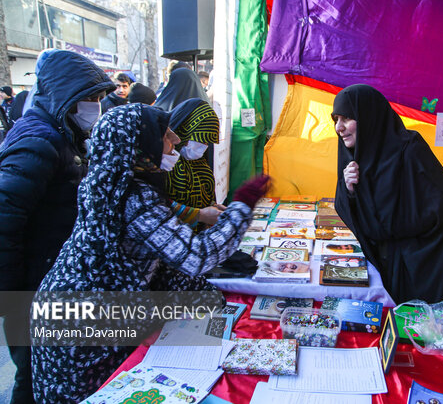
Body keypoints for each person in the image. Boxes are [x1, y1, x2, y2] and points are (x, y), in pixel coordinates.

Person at [30, 103, 270, 403]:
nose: (177, 141)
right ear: (141, 145)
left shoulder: (109, 182)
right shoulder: (133, 195)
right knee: (94, 391)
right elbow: (196, 256)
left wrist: (205, 298)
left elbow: (158, 254)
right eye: (167, 136)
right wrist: (242, 206)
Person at [0, 50, 115, 404]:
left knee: (46, 372)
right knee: (34, 375)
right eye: (90, 99)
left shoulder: (63, 134)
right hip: (32, 285)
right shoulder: (40, 139)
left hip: (49, 278)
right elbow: (5, 218)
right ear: (64, 96)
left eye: (99, 98)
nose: (96, 106)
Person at [332, 84, 443, 305]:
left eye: (346, 118)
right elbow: (347, 208)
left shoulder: (409, 150)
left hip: (426, 266)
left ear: (368, 117)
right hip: (390, 259)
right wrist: (350, 191)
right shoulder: (355, 153)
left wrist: (386, 227)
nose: (339, 127)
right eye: (335, 119)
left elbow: (438, 210)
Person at [166, 98, 219, 210]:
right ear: (185, 130)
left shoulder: (199, 163)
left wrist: (213, 205)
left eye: (207, 141)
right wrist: (201, 216)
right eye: (200, 140)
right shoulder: (165, 165)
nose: (204, 145)